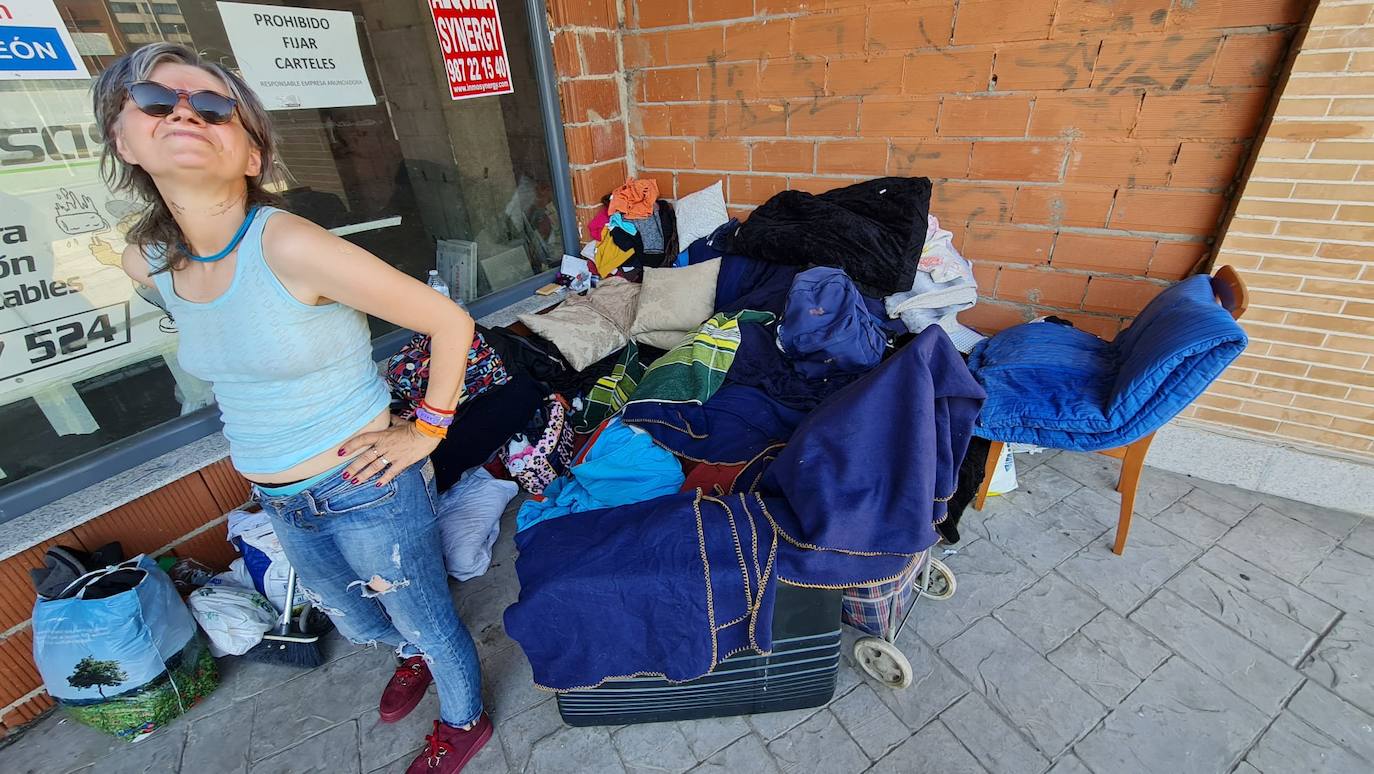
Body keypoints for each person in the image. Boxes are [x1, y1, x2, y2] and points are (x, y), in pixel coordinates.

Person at [93, 43, 490, 773]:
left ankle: (465, 721)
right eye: (156, 100)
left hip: (364, 485)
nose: (184, 110)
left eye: (213, 106)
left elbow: (449, 322)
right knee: (357, 618)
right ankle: (411, 657)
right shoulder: (144, 261)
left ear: (250, 154)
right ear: (123, 138)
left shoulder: (290, 244)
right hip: (278, 497)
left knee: (426, 619)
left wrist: (427, 431)